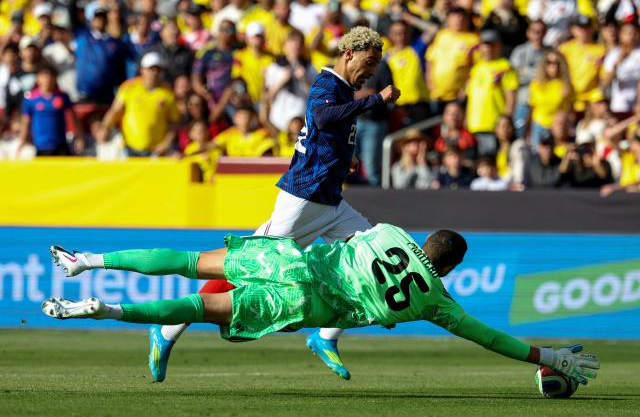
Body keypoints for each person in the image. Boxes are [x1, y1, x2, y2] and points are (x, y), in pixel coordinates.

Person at [45, 223, 600, 388]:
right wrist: (547, 353)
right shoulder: (438, 303)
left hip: (290, 264)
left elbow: (352, 237)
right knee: (192, 306)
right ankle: (107, 311)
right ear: (450, 267)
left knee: (190, 263)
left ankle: (87, 261)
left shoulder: (387, 232)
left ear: (425, 239)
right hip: (300, 304)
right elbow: (491, 338)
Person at [147, 27, 400, 384]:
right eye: (369, 62)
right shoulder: (326, 85)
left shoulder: (343, 91)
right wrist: (376, 100)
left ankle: (325, 336)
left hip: (330, 202)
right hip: (303, 200)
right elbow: (324, 118)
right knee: (240, 268)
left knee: (375, 258)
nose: (372, 71)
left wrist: (346, 159)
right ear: (349, 54)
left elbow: (324, 133)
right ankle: (169, 328)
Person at [98, 52, 179, 157]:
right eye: (151, 69)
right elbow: (115, 111)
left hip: (155, 151)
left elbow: (174, 123)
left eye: (157, 69)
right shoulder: (129, 88)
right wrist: (105, 128)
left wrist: (166, 142)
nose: (154, 73)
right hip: (129, 148)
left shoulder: (167, 94)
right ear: (142, 70)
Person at [466, 29, 518, 157]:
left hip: (494, 125)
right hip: (474, 125)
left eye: (492, 45)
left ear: (499, 46)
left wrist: (506, 123)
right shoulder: (476, 68)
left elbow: (511, 96)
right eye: (485, 45)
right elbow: (471, 97)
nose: (488, 49)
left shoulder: (504, 66)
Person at [19, 65, 82, 156]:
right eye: (43, 76)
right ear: (38, 78)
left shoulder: (62, 96)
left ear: (55, 78)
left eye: (50, 76)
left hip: (60, 145)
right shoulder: (30, 98)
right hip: (40, 146)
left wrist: (80, 136)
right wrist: (22, 141)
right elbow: (25, 121)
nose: (47, 79)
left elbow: (73, 117)